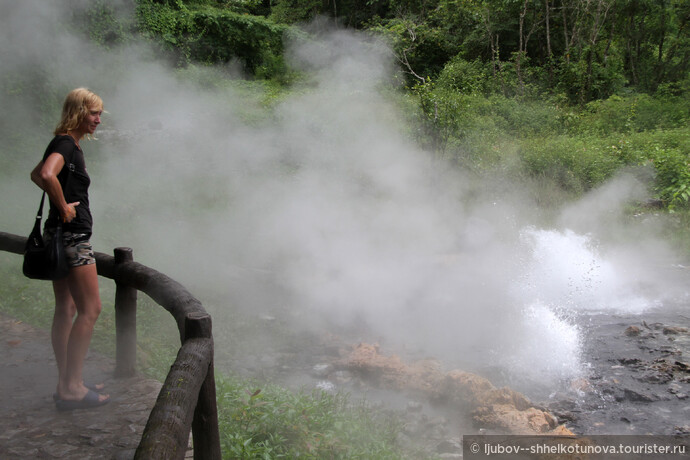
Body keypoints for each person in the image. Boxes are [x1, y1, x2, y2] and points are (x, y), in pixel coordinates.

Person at [30, 88, 110, 410]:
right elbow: (46, 175)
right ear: (79, 111)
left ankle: (67, 382)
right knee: (91, 309)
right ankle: (72, 386)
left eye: (100, 114)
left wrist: (58, 203)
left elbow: (37, 175)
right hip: (73, 238)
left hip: (56, 236)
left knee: (66, 309)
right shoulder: (66, 143)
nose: (98, 120)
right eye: (94, 113)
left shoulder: (65, 143)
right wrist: (63, 206)